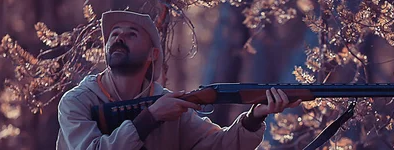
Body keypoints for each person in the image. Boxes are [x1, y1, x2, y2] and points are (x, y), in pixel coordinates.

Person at [56, 10, 302, 150]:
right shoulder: (77, 101)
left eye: (131, 34)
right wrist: (151, 117)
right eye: (114, 35)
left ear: (154, 54)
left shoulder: (169, 105)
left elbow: (220, 146)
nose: (119, 38)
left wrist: (254, 117)